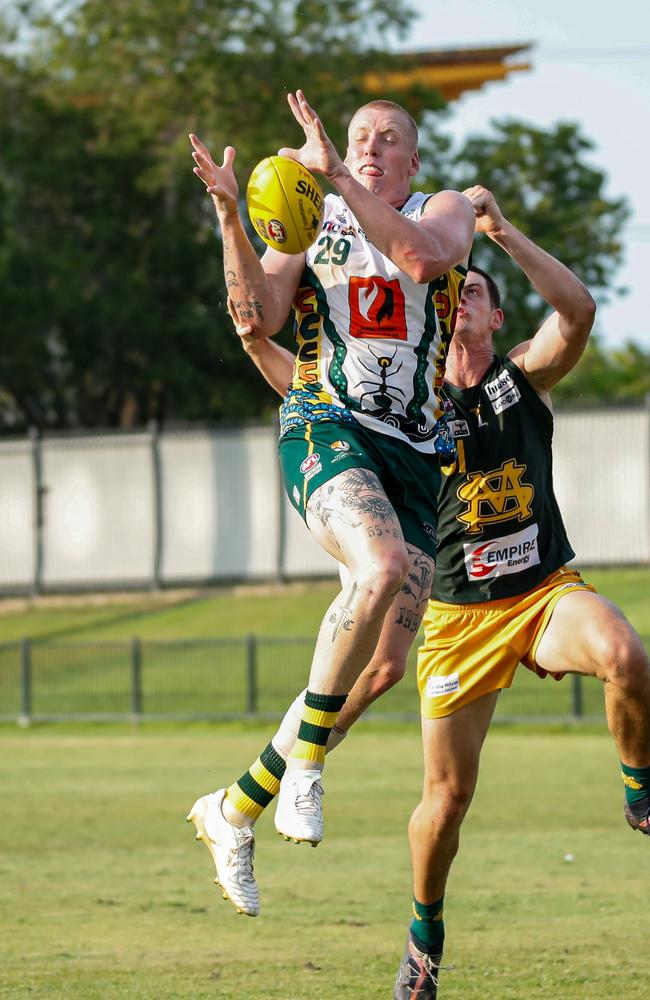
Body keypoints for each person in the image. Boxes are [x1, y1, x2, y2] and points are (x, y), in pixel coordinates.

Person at [225, 188, 650, 1000]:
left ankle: (641, 794)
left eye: (479, 294)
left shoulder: (524, 377)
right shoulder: (410, 406)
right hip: (458, 618)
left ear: (494, 320)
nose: (463, 303)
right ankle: (423, 941)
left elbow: (581, 310)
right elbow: (303, 384)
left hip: (543, 593)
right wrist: (255, 341)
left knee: (626, 652)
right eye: (455, 292)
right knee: (446, 803)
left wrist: (502, 233)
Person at [186, 91, 475, 917]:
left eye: (389, 140)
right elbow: (260, 314)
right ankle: (307, 768)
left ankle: (235, 807)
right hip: (328, 422)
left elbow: (423, 262)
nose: (371, 147)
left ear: (414, 161)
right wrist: (232, 217)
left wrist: (341, 177)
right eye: (357, 137)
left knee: (383, 665)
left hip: (417, 456)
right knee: (379, 567)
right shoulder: (311, 219)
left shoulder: (442, 207)